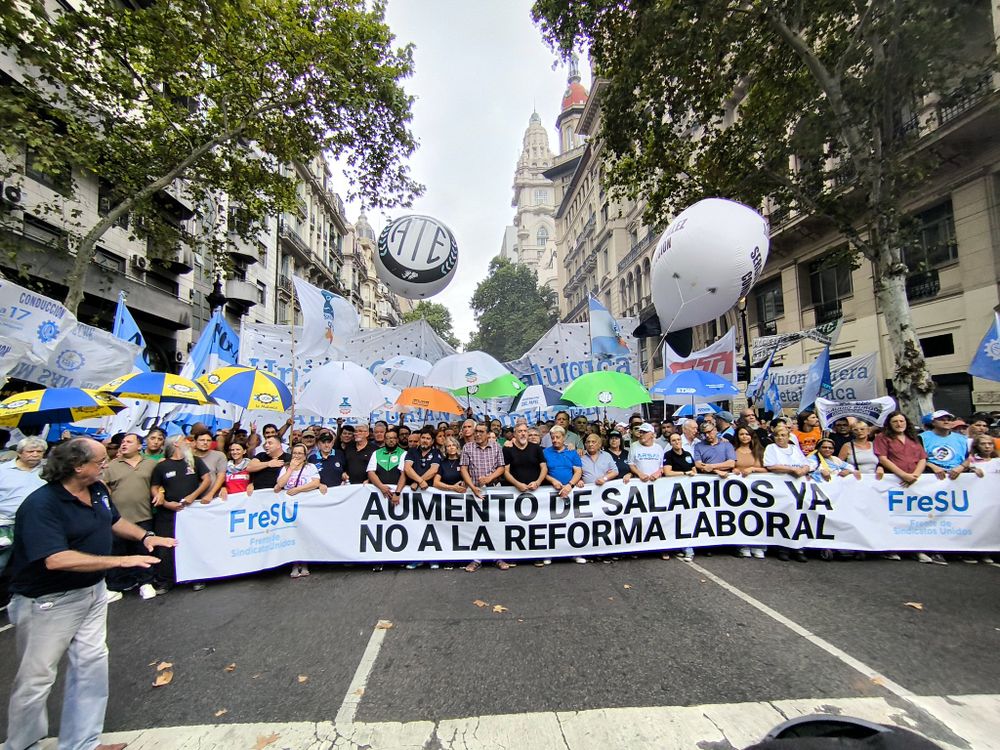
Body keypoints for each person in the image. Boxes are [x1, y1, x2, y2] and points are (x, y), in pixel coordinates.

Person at [5, 437, 174, 750]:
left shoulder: (97, 490)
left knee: (91, 665)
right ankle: (22, 744)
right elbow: (55, 559)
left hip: (92, 592)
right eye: (99, 461)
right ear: (77, 467)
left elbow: (114, 521)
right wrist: (121, 560)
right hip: (48, 602)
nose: (106, 464)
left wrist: (146, 536)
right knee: (37, 678)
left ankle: (81, 742)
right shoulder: (41, 505)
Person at [150, 436, 212, 592]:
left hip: (191, 511)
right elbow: (154, 487)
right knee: (166, 546)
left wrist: (193, 496)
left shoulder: (194, 461)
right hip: (168, 513)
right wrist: (165, 503)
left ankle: (196, 577)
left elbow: (206, 479)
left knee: (193, 543)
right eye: (185, 440)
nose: (189, 442)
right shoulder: (162, 466)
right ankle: (166, 580)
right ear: (175, 443)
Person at [102, 433, 159, 598]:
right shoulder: (112, 466)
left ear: (139, 446)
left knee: (144, 550)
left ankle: (146, 582)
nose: (123, 444)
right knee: (118, 552)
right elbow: (104, 485)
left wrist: (160, 492)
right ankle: (119, 585)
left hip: (143, 515)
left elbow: (158, 483)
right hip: (118, 519)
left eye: (129, 441)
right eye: (123, 442)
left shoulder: (150, 464)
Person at [460, 422, 508, 572]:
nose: (478, 434)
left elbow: (501, 467)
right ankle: (476, 559)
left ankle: (497, 557)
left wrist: (489, 478)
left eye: (481, 431)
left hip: (493, 490)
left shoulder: (496, 447)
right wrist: (472, 486)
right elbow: (463, 469)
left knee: (495, 524)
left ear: (487, 433)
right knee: (475, 526)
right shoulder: (468, 447)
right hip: (474, 491)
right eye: (476, 432)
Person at [763, 423, 811, 563]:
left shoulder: (795, 448)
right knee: (783, 515)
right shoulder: (771, 448)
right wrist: (791, 469)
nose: (780, 438)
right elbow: (770, 465)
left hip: (798, 486)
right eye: (777, 435)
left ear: (788, 437)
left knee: (799, 515)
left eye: (783, 435)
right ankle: (783, 547)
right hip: (781, 486)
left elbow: (805, 463)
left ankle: (799, 548)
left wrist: (803, 470)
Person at [0, 437, 47, 576]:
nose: (35, 454)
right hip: (5, 525)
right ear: (20, 453)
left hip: (34, 526)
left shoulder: (48, 472)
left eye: (39, 451)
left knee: (27, 566)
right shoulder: (3, 470)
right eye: (30, 451)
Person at [275, 443, 321, 579]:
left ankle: (305, 562)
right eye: (295, 453)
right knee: (292, 535)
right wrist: (291, 469)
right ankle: (295, 563)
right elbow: (280, 484)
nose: (297, 456)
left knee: (304, 534)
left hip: (306, 507)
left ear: (305, 455)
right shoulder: (285, 468)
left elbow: (315, 483)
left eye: (300, 453)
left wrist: (298, 489)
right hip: (289, 509)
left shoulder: (310, 467)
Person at [543, 426, 585, 564]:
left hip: (570, 492)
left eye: (558, 437)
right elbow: (543, 472)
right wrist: (553, 480)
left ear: (564, 437)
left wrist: (570, 485)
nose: (555, 440)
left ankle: (575, 553)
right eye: (552, 437)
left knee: (572, 524)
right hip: (551, 492)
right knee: (551, 525)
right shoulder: (545, 452)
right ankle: (549, 553)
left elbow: (578, 471)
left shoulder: (572, 452)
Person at [732, 427, 767, 559]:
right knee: (742, 516)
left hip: (758, 491)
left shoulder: (759, 451)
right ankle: (743, 545)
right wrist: (733, 469)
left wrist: (753, 469)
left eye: (747, 434)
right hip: (739, 490)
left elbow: (768, 469)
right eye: (741, 434)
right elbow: (731, 466)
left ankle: (759, 545)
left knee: (758, 516)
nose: (744, 436)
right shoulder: (733, 450)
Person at [920, 410, 974, 480]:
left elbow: (970, 457)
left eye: (949, 420)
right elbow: (917, 458)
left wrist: (961, 467)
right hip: (931, 476)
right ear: (933, 422)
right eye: (941, 420)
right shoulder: (922, 437)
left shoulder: (963, 439)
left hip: (959, 476)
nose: (946, 422)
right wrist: (933, 467)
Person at [503, 423, 547, 493]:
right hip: (514, 491)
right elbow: (506, 471)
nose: (523, 433)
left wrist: (537, 483)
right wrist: (517, 484)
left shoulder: (536, 447)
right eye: (520, 431)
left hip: (536, 490)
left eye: (525, 431)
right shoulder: (507, 449)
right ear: (514, 434)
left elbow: (544, 468)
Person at [192, 430, 228, 501]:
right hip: (190, 499)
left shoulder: (219, 455)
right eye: (202, 440)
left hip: (212, 498)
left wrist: (210, 494)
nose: (205, 442)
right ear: (195, 442)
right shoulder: (188, 456)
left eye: (208, 440)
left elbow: (221, 476)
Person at [404, 427, 442, 491]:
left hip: (429, 490)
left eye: (428, 438)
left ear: (432, 441)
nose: (425, 440)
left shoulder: (436, 452)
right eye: (423, 438)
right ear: (419, 440)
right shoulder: (412, 451)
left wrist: (417, 482)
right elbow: (407, 468)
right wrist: (420, 481)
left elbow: (434, 470)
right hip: (411, 490)